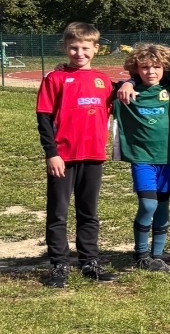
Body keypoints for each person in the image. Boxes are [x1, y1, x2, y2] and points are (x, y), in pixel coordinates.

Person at [37, 22, 114, 287]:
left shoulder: (103, 80)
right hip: (63, 157)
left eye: (85, 48)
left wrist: (129, 84)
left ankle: (89, 261)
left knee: (88, 211)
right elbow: (44, 118)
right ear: (65, 48)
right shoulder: (54, 78)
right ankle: (59, 264)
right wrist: (52, 153)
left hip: (93, 155)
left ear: (96, 49)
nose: (79, 53)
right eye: (73, 48)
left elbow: (124, 94)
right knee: (58, 212)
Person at [112, 42, 170, 273]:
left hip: (167, 158)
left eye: (157, 67)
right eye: (145, 67)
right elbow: (99, 89)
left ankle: (157, 256)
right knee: (148, 204)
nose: (151, 71)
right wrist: (128, 83)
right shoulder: (125, 92)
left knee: (163, 206)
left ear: (165, 68)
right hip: (142, 158)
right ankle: (141, 254)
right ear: (136, 69)